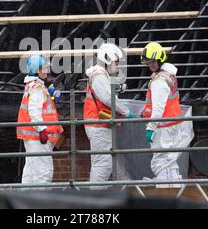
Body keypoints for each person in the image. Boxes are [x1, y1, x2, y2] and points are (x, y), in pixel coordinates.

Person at [141, 42, 194, 188]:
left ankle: (163, 187)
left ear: (160, 59)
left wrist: (152, 126)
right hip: (172, 123)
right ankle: (174, 184)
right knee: (169, 158)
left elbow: (158, 107)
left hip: (162, 125)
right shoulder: (168, 75)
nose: (150, 65)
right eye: (148, 62)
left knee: (160, 158)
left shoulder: (159, 80)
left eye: (152, 61)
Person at [83, 43, 135, 183]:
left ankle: (126, 185)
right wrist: (126, 112)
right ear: (107, 60)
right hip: (98, 125)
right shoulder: (99, 76)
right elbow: (107, 97)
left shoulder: (101, 76)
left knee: (116, 160)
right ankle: (96, 198)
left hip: (101, 124)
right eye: (115, 62)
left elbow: (107, 92)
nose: (117, 66)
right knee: (103, 163)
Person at [17, 54, 63, 184]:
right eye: (43, 68)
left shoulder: (33, 85)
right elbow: (34, 111)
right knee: (44, 173)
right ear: (36, 70)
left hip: (33, 137)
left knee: (31, 171)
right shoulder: (37, 87)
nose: (46, 71)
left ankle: (26, 201)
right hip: (39, 137)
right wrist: (42, 130)